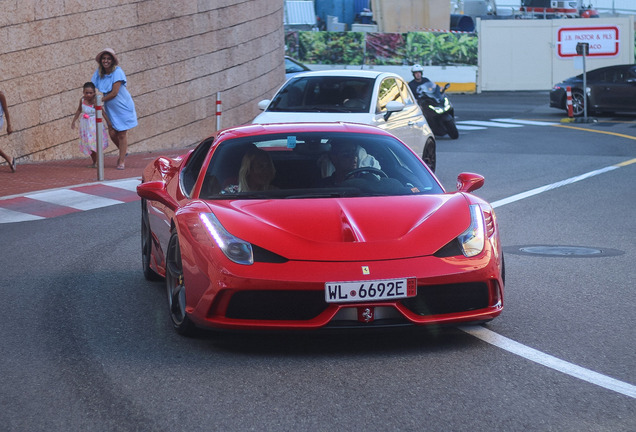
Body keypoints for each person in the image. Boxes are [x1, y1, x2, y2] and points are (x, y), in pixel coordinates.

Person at [91, 48, 138, 170]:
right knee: (112, 132)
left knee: (122, 133)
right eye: (104, 58)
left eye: (108, 59)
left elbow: (114, 92)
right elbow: (92, 85)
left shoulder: (117, 72)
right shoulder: (99, 72)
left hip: (122, 106)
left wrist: (99, 100)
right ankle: (124, 150)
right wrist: (89, 96)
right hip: (110, 108)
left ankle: (121, 160)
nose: (106, 61)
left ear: (112, 61)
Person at [71, 82, 110, 168]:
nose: (88, 95)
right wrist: (74, 120)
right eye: (86, 93)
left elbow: (102, 112)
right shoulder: (82, 100)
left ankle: (99, 162)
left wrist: (109, 123)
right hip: (85, 125)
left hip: (94, 125)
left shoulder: (96, 101)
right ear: (83, 92)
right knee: (88, 144)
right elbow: (79, 110)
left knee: (95, 143)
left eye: (90, 93)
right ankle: (94, 161)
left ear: (94, 93)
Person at [0, 90, 16, 172]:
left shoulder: (1, 95)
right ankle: (9, 159)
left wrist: (9, 125)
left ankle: (9, 158)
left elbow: (6, 110)